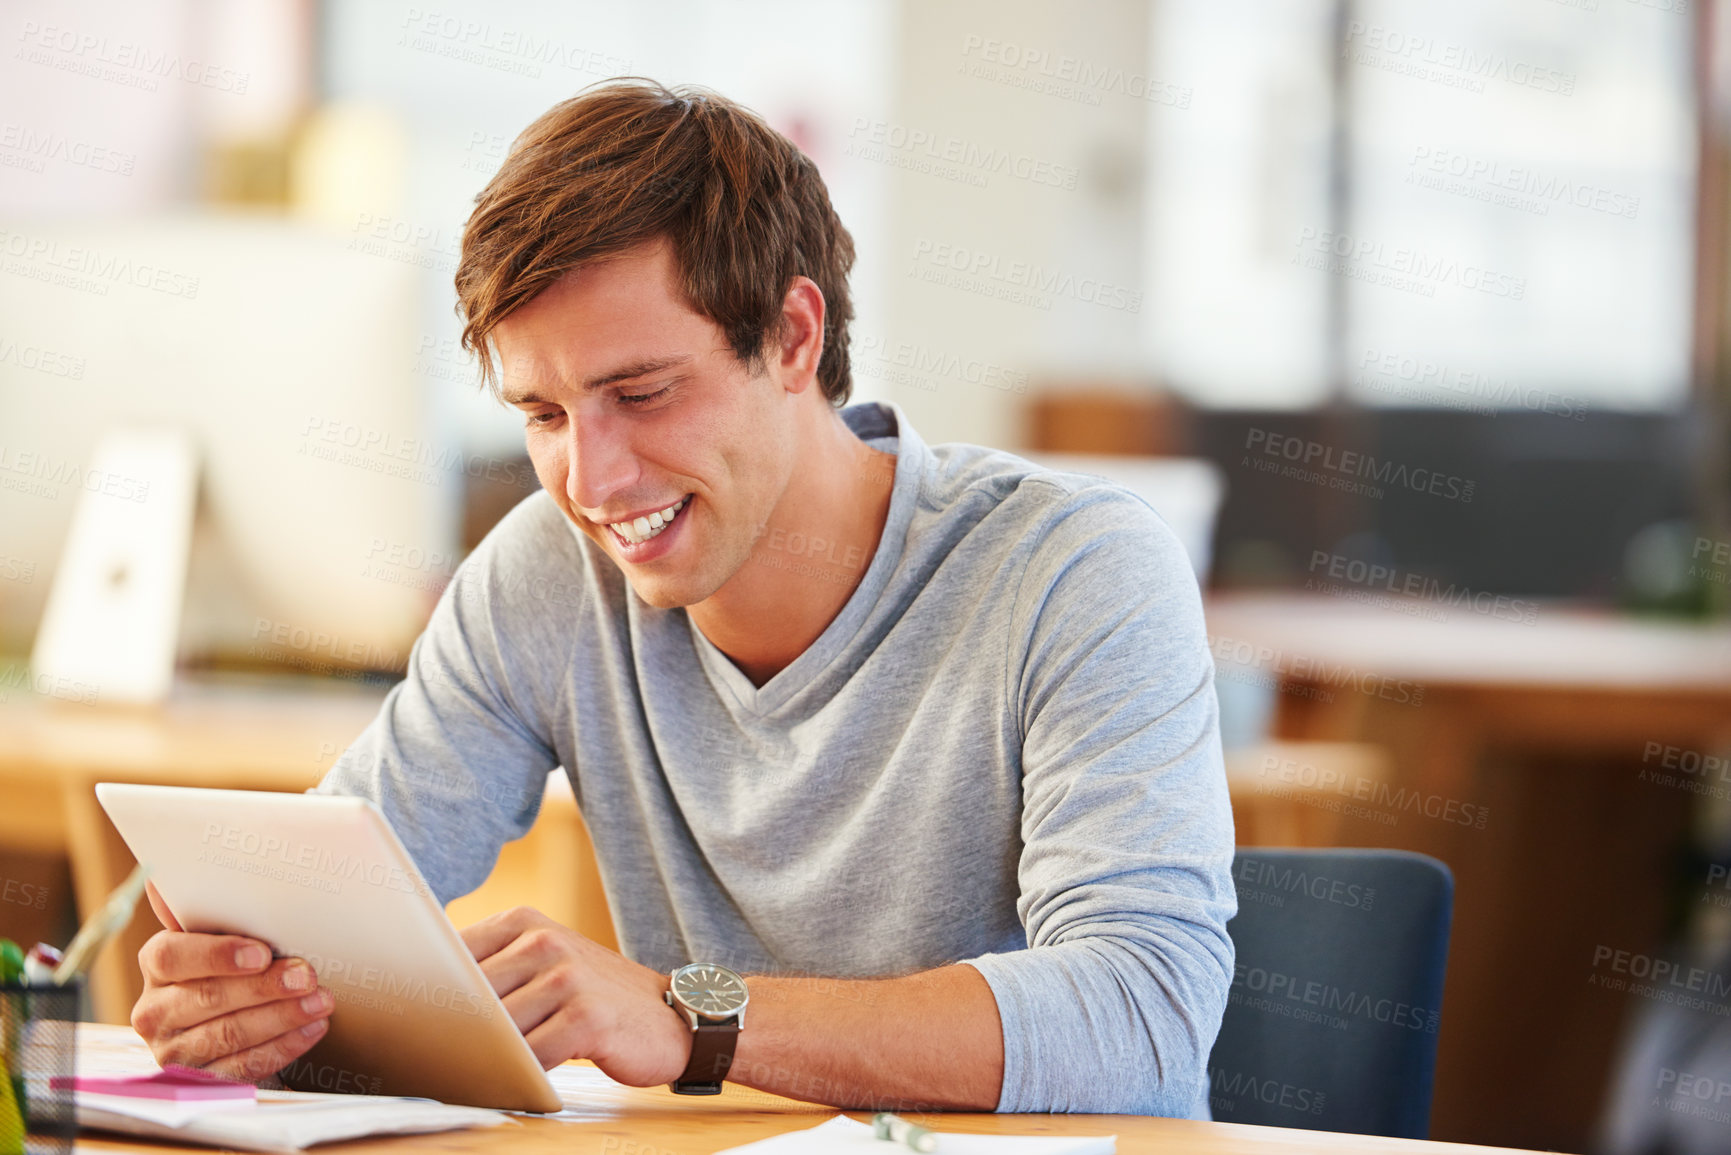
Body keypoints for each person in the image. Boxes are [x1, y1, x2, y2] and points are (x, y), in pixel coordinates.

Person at [129, 79, 1236, 1116]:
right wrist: (242, 991)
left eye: (642, 393)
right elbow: (324, 900)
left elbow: (1144, 1016)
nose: (592, 483)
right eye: (545, 416)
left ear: (794, 336)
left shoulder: (1074, 570)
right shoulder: (547, 577)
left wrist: (688, 1015)